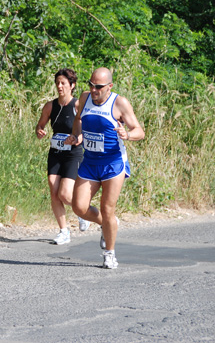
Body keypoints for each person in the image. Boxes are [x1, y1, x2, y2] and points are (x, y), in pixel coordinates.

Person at [65, 67, 144, 269]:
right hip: (90, 162)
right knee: (79, 207)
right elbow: (78, 119)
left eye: (98, 87)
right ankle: (108, 223)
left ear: (109, 86)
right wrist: (76, 136)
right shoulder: (84, 98)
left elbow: (139, 131)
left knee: (107, 208)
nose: (93, 90)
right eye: (91, 85)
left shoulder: (119, 103)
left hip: (113, 163)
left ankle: (110, 254)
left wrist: (128, 135)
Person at [35, 69, 91, 245]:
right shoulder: (50, 106)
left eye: (63, 83)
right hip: (55, 152)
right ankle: (63, 231)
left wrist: (77, 138)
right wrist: (40, 131)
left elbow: (86, 131)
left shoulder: (77, 106)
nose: (59, 86)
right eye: (57, 83)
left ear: (72, 86)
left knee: (66, 194)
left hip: (73, 153)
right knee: (53, 189)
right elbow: (40, 124)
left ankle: (83, 212)